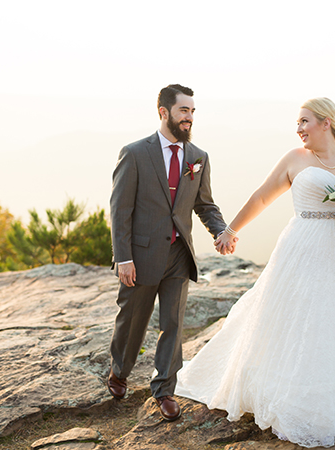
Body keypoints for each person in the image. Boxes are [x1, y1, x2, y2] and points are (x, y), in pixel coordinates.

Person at [175, 97, 335, 447]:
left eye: (304, 121)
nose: (298, 129)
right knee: (305, 318)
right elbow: (262, 197)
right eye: (297, 123)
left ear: (326, 122)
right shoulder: (294, 160)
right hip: (306, 247)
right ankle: (297, 389)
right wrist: (230, 231)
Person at [107, 84, 236, 422]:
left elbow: (204, 204)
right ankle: (119, 371)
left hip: (180, 255)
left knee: (174, 324)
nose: (189, 117)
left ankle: (164, 389)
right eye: (183, 111)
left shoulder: (198, 157)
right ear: (164, 112)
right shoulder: (135, 153)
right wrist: (123, 257)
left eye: (192, 111)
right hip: (141, 255)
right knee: (132, 321)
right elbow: (119, 210)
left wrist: (220, 230)